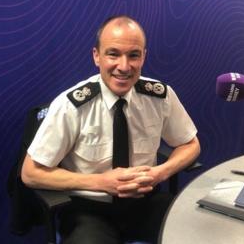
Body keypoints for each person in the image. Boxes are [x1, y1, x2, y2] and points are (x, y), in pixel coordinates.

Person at [22, 15, 200, 244]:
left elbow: (190, 144)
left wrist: (161, 173)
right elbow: (30, 173)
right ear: (97, 56)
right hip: (89, 211)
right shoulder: (71, 105)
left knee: (197, 231)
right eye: (113, 54)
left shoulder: (160, 96)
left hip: (146, 203)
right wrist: (101, 182)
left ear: (144, 56)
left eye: (134, 55)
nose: (124, 66)